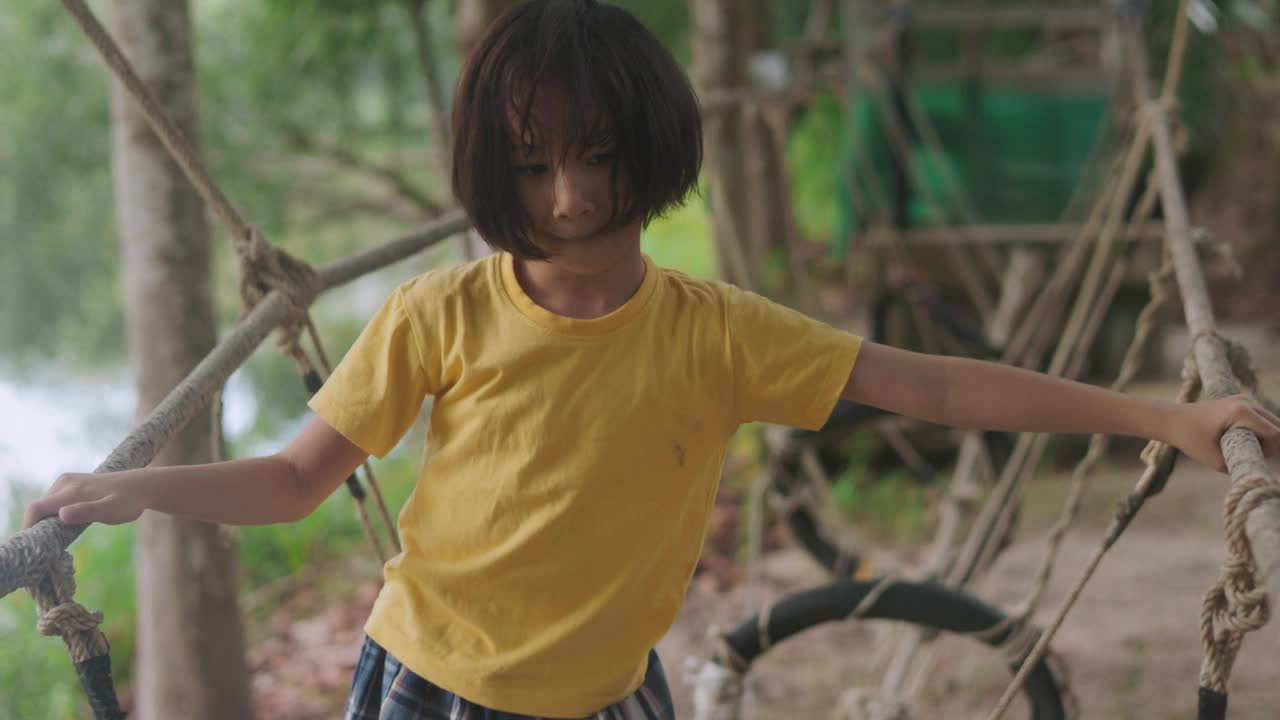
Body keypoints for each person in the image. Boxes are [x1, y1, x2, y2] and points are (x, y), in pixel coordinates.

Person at [23, 1, 1280, 718]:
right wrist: (136, 490)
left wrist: (1150, 419)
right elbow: (295, 481)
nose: (568, 196)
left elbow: (938, 384)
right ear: (487, 173)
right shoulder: (435, 315)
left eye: (597, 158)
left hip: (612, 694)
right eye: (530, 165)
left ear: (654, 148)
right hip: (435, 686)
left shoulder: (717, 333)